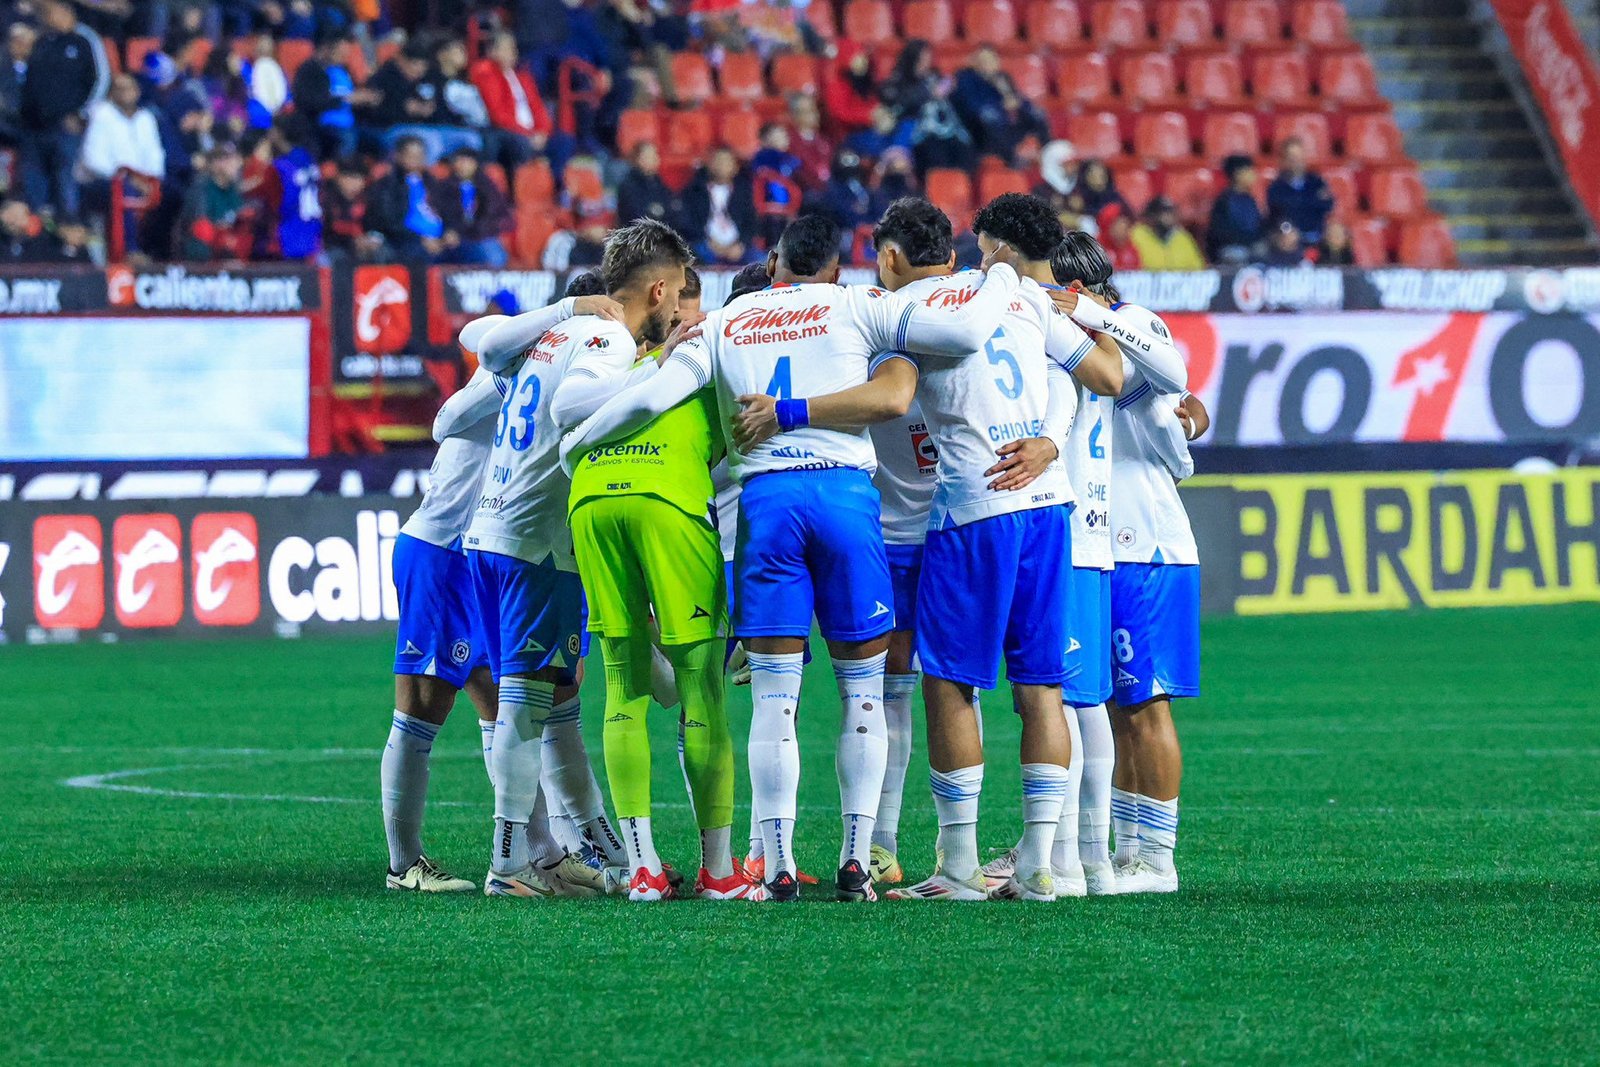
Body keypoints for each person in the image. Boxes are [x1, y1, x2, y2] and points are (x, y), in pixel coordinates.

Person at [560, 212, 1025, 902]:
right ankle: (855, 858)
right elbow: (957, 334)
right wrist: (1004, 275)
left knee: (774, 698)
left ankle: (772, 862)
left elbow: (653, 393)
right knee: (862, 692)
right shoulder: (857, 303)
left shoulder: (728, 318)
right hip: (843, 497)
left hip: (768, 505)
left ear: (774, 262)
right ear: (835, 267)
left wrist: (578, 444)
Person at [541, 223, 752, 902]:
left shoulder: (610, 363)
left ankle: (642, 868)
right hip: (668, 502)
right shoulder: (706, 356)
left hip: (592, 501)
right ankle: (719, 871)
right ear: (669, 295)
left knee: (623, 684)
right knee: (699, 684)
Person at [382, 306, 618, 896]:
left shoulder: (555, 374)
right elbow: (445, 419)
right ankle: (403, 864)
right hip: (442, 549)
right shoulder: (519, 368)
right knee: (420, 710)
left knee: (508, 708)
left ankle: (539, 855)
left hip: (486, 551)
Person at [462, 281, 647, 900]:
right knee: (526, 706)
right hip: (534, 543)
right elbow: (572, 405)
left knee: (554, 702)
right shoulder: (599, 340)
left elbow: (475, 351)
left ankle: (582, 848)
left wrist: (559, 313)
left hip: (490, 532)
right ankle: (510, 862)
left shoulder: (536, 343)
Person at [1050, 230, 1201, 895]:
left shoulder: (1129, 321)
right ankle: (1125, 847)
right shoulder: (1079, 345)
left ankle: (1157, 858)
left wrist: (1090, 313)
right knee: (1113, 706)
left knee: (1147, 705)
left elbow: (1177, 376)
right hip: (1104, 545)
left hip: (1149, 545)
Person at [18, 0, 111, 219]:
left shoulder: (84, 41)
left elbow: (100, 80)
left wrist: (81, 114)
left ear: (67, 12)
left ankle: (69, 239)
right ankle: (36, 239)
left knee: (65, 183)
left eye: (52, 12)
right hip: (34, 127)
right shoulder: (42, 42)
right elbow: (28, 81)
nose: (48, 17)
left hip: (65, 127)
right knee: (34, 184)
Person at [950, 45, 1049, 164]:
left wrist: (1019, 104)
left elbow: (1018, 99)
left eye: (991, 59)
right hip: (979, 128)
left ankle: (1048, 153)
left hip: (1007, 122)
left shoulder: (1003, 78)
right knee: (991, 118)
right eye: (984, 60)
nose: (988, 63)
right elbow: (974, 106)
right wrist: (1001, 107)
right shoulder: (966, 77)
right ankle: (1012, 158)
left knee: (1038, 114)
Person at [364, 134, 447, 261]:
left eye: (420, 156)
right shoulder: (388, 185)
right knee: (419, 253)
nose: (416, 160)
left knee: (474, 251)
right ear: (398, 156)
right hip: (406, 240)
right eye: (411, 156)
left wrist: (452, 232)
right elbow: (388, 221)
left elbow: (450, 211)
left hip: (440, 239)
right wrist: (420, 238)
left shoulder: (433, 183)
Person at [291, 27, 368, 159]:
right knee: (347, 137)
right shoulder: (309, 70)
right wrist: (344, 100)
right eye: (341, 54)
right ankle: (341, 172)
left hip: (347, 121)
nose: (344, 59)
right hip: (317, 124)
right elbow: (310, 103)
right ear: (326, 49)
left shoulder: (341, 70)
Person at [677, 145, 757, 265]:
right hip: (705, 244)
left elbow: (751, 222)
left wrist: (741, 244)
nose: (722, 166)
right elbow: (688, 222)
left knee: (761, 260)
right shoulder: (695, 191)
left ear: (735, 167)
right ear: (709, 164)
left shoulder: (743, 192)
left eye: (726, 162)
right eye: (718, 161)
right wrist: (709, 242)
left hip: (737, 247)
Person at [433, 147, 512, 267]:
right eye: (459, 161)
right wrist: (447, 232)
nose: (463, 166)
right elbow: (437, 214)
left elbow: (496, 216)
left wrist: (472, 233)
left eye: (467, 162)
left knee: (493, 253)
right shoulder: (444, 187)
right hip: (450, 238)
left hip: (479, 236)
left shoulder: (487, 188)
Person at [176, 142, 255, 261]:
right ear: (215, 164)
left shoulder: (233, 189)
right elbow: (200, 228)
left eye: (236, 159)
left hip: (227, 250)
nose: (236, 164)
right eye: (229, 160)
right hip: (202, 256)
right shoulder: (201, 188)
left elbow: (239, 218)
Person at [1266, 136, 1332, 245]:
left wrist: (1297, 203)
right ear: (1284, 160)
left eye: (1299, 157)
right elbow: (1277, 215)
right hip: (1289, 238)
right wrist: (1311, 201)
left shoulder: (1316, 182)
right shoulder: (1276, 187)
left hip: (1316, 235)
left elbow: (1327, 205)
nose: (1297, 161)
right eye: (1292, 157)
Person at [1207, 154, 1263, 264]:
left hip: (1251, 246)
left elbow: (1258, 226)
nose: (1254, 174)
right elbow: (1220, 234)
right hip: (1231, 248)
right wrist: (1248, 241)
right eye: (1249, 170)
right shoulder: (1224, 201)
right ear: (1238, 174)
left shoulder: (1250, 199)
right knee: (1239, 255)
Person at [1129, 196, 1205, 270]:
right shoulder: (1136, 235)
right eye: (1164, 214)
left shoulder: (1182, 236)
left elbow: (1198, 268)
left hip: (1181, 282)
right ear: (1151, 216)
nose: (1169, 218)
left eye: (1171, 213)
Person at [823, 41, 877, 135]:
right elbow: (841, 114)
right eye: (857, 57)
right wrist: (869, 116)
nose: (863, 61)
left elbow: (873, 103)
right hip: (848, 134)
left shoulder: (866, 79)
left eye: (863, 56)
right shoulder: (837, 84)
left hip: (870, 129)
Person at [615, 141, 673, 226]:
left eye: (655, 155)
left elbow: (670, 210)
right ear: (638, 159)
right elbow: (636, 215)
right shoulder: (628, 185)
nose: (655, 159)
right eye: (648, 156)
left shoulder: (659, 182)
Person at [0, 22, 36, 149]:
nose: (21, 46)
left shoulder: (37, 67)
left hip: (27, 128)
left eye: (25, 43)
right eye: (17, 41)